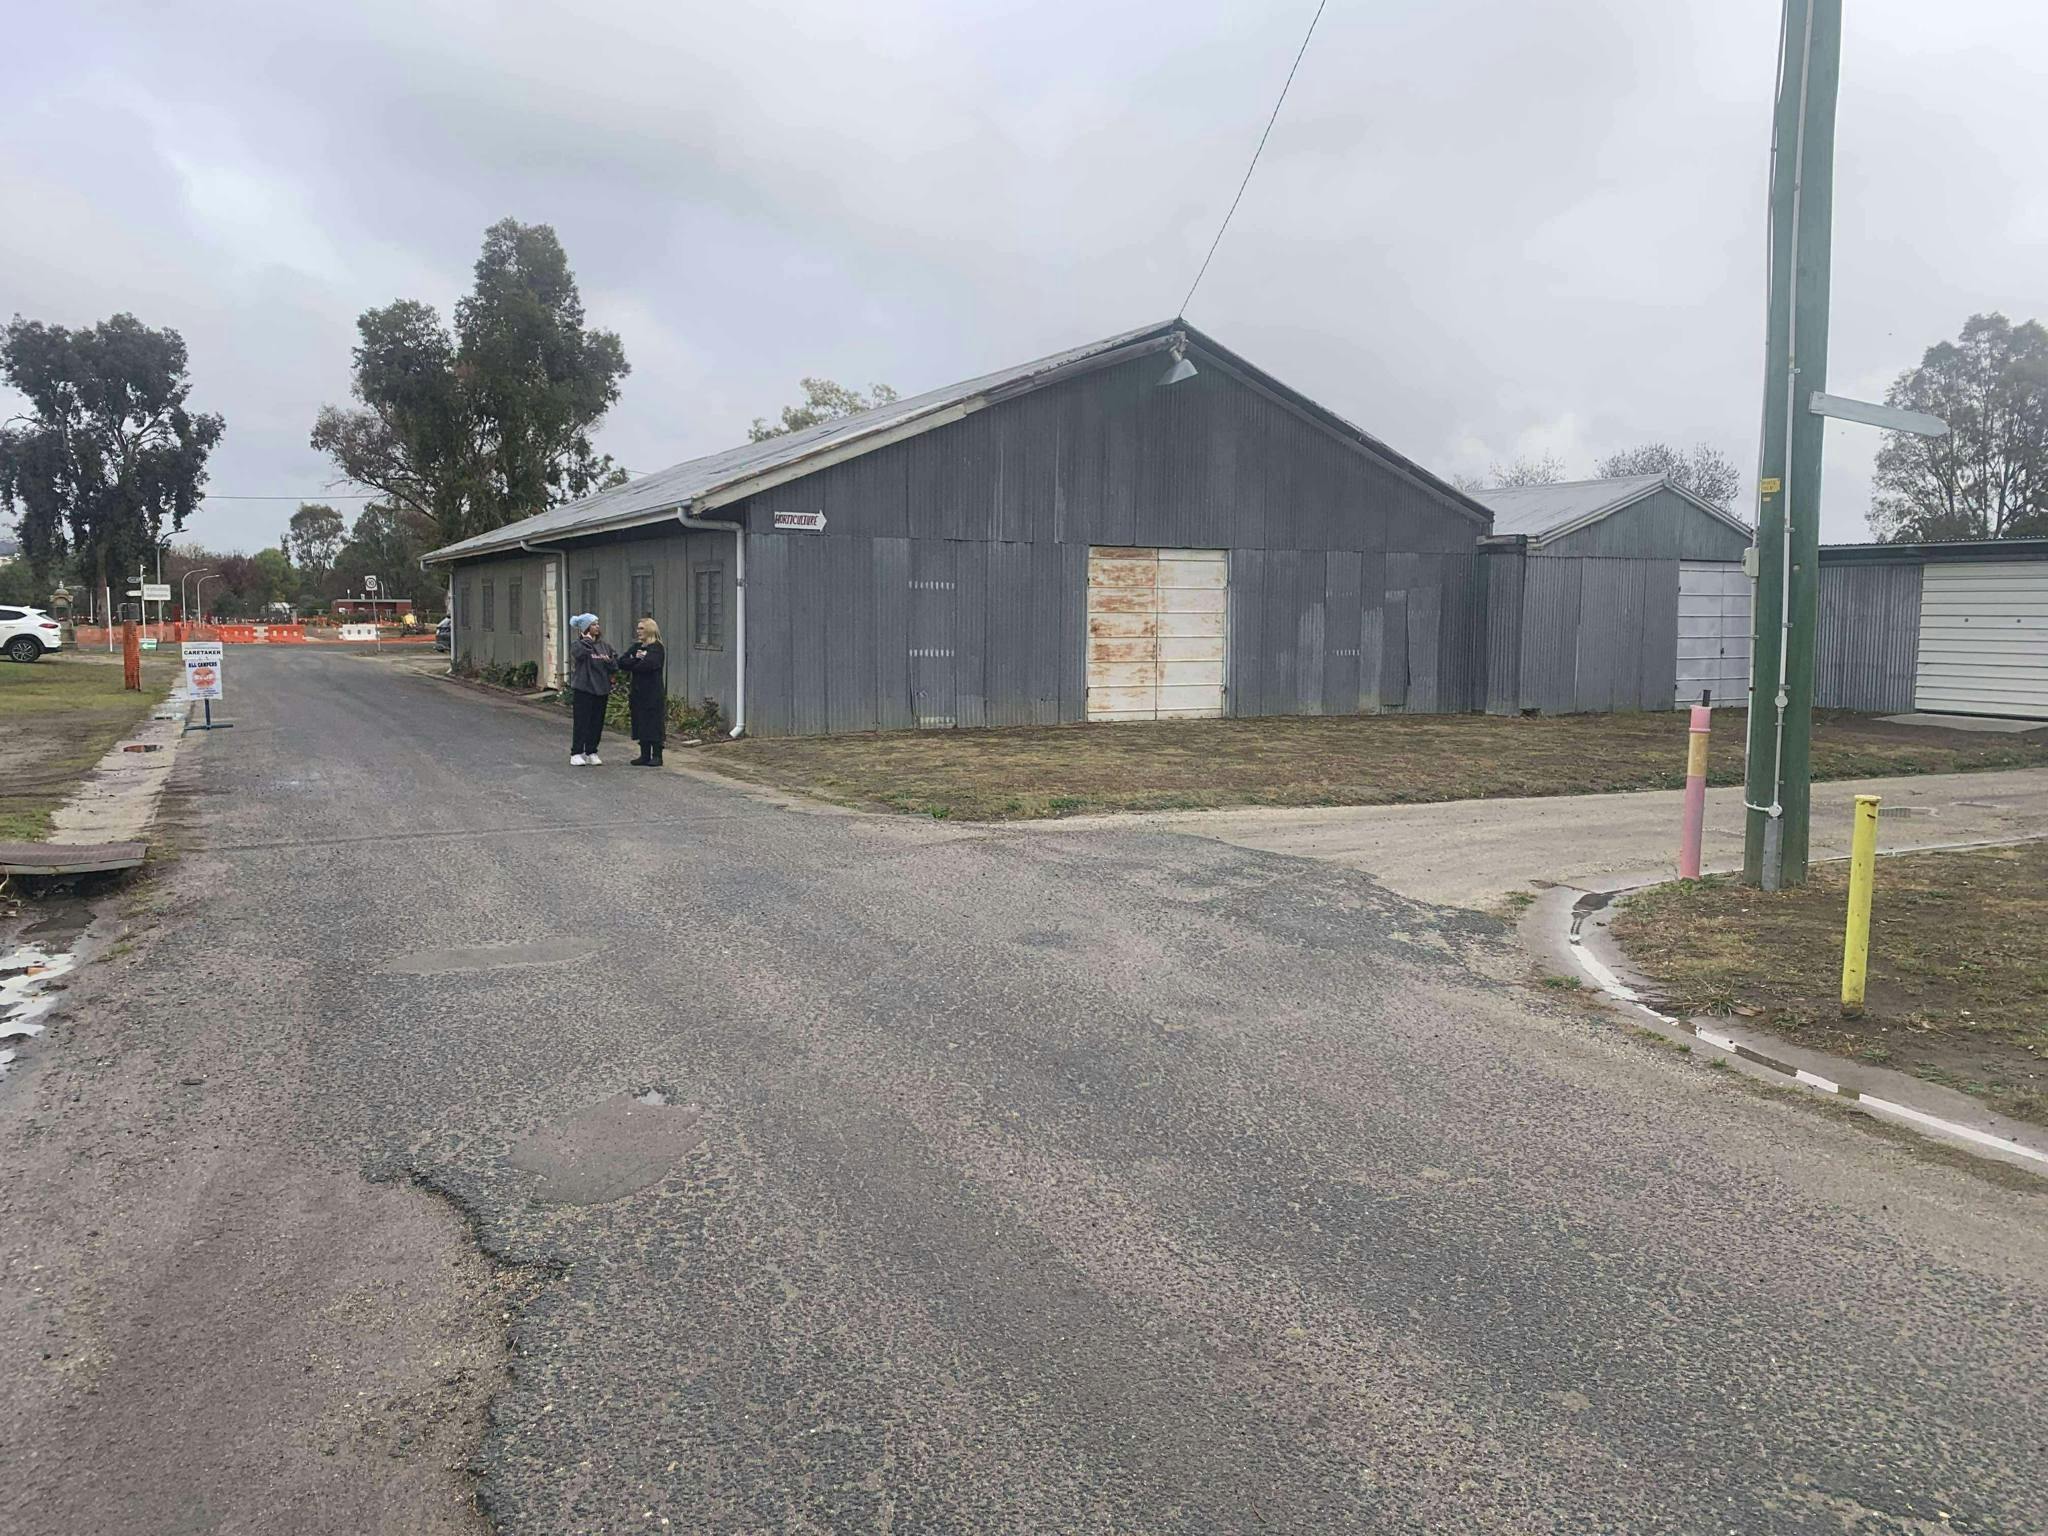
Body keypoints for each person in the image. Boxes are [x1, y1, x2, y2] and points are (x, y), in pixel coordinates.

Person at [616, 618, 668, 767]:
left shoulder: (657, 648)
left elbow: (649, 665)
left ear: (650, 630)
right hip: (638, 691)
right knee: (640, 721)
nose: (638, 631)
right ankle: (644, 754)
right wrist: (635, 659)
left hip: (652, 692)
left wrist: (635, 662)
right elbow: (622, 662)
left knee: (654, 722)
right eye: (638, 628)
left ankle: (657, 755)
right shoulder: (637, 647)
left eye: (641, 628)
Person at [567, 613, 616, 765]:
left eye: (597, 624)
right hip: (584, 688)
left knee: (597, 722)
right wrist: (587, 642)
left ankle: (591, 751)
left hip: (601, 689)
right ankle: (576, 752)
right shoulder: (578, 644)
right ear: (586, 628)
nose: (597, 627)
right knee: (582, 721)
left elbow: (615, 664)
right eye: (594, 624)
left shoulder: (605, 646)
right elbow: (580, 655)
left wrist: (609, 662)